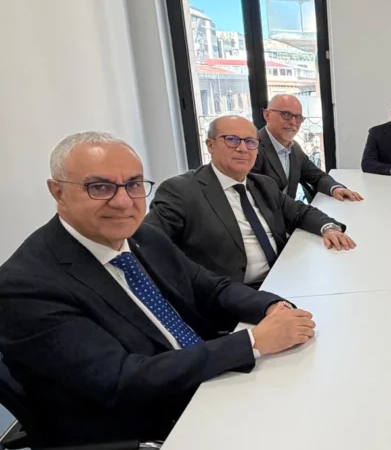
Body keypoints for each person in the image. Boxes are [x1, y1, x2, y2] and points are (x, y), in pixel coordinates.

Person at [0, 132, 316, 446]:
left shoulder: (142, 237)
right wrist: (252, 342)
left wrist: (271, 307)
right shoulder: (26, 285)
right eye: (99, 187)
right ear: (58, 192)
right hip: (148, 423)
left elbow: (210, 287)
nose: (123, 201)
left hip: (202, 380)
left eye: (134, 185)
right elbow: (120, 381)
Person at [146, 116, 356, 286]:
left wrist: (329, 227)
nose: (242, 148)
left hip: (283, 277)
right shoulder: (180, 191)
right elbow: (147, 246)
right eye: (232, 140)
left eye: (250, 142)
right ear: (210, 145)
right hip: (229, 296)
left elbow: (299, 212)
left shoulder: (262, 184)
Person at [253, 93, 363, 202]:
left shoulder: (294, 148)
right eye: (286, 114)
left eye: (298, 117)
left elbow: (317, 176)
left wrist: (335, 188)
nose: (293, 122)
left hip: (291, 213)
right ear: (267, 115)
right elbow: (254, 200)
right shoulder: (251, 148)